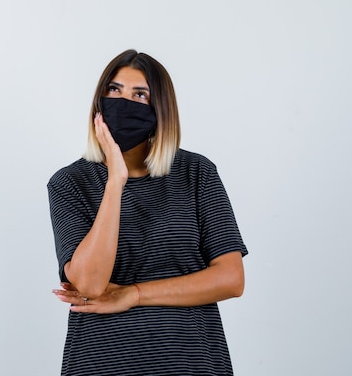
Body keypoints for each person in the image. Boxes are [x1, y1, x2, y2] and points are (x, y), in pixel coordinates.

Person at [47, 50, 248, 375]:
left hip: (191, 360)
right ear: (99, 100)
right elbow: (89, 285)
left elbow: (230, 278)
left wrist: (133, 295)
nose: (124, 102)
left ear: (160, 109)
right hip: (101, 362)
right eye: (114, 90)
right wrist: (115, 182)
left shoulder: (196, 173)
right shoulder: (71, 183)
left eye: (139, 94)